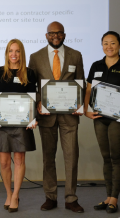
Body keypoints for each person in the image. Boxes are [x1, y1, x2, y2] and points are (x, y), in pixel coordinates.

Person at [28, 21, 85, 213]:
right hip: (47, 116)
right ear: (46, 35)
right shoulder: (35, 57)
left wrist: (80, 104)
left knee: (71, 157)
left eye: (59, 33)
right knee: (48, 158)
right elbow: (32, 86)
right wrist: (38, 103)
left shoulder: (76, 55)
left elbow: (81, 83)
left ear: (64, 35)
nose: (55, 36)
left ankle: (71, 198)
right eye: (52, 33)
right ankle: (50, 197)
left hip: (70, 116)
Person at [85, 31, 120, 213]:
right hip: (100, 118)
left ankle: (114, 199)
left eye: (113, 43)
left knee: (116, 157)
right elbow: (88, 90)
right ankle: (108, 196)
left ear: (119, 44)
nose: (109, 46)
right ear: (102, 45)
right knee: (106, 157)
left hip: (119, 118)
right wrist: (86, 110)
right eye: (105, 43)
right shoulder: (96, 65)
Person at [0, 39, 37, 213]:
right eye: (11, 51)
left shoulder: (30, 73)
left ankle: (16, 195)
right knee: (3, 162)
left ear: (22, 53)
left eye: (17, 51)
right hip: (3, 124)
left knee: (19, 160)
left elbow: (33, 97)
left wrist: (33, 118)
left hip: (22, 124)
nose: (14, 54)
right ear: (6, 53)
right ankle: (8, 193)